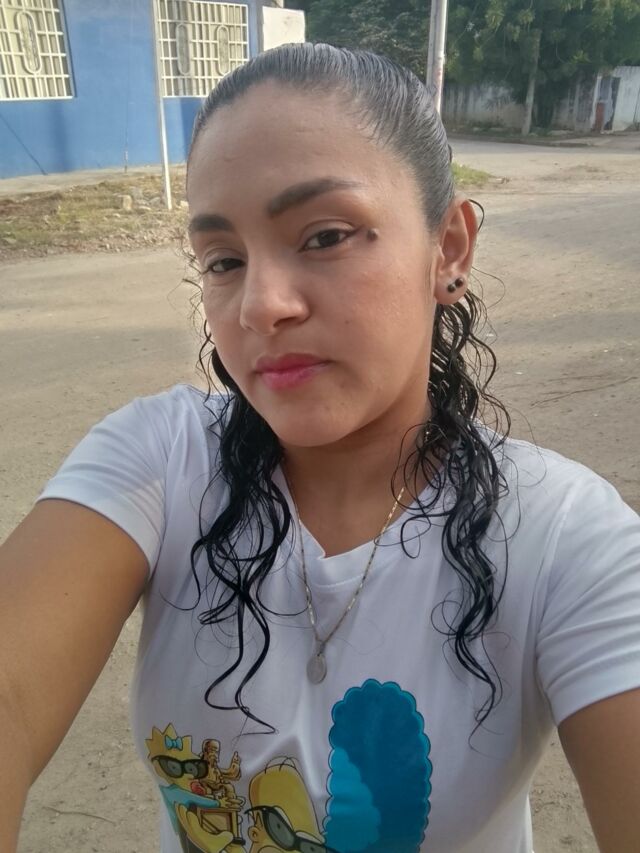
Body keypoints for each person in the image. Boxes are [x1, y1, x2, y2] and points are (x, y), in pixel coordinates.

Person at [1, 43, 638, 853]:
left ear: (449, 248)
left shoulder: (568, 539)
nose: (260, 305)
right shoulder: (158, 462)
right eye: (224, 260)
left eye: (325, 235)